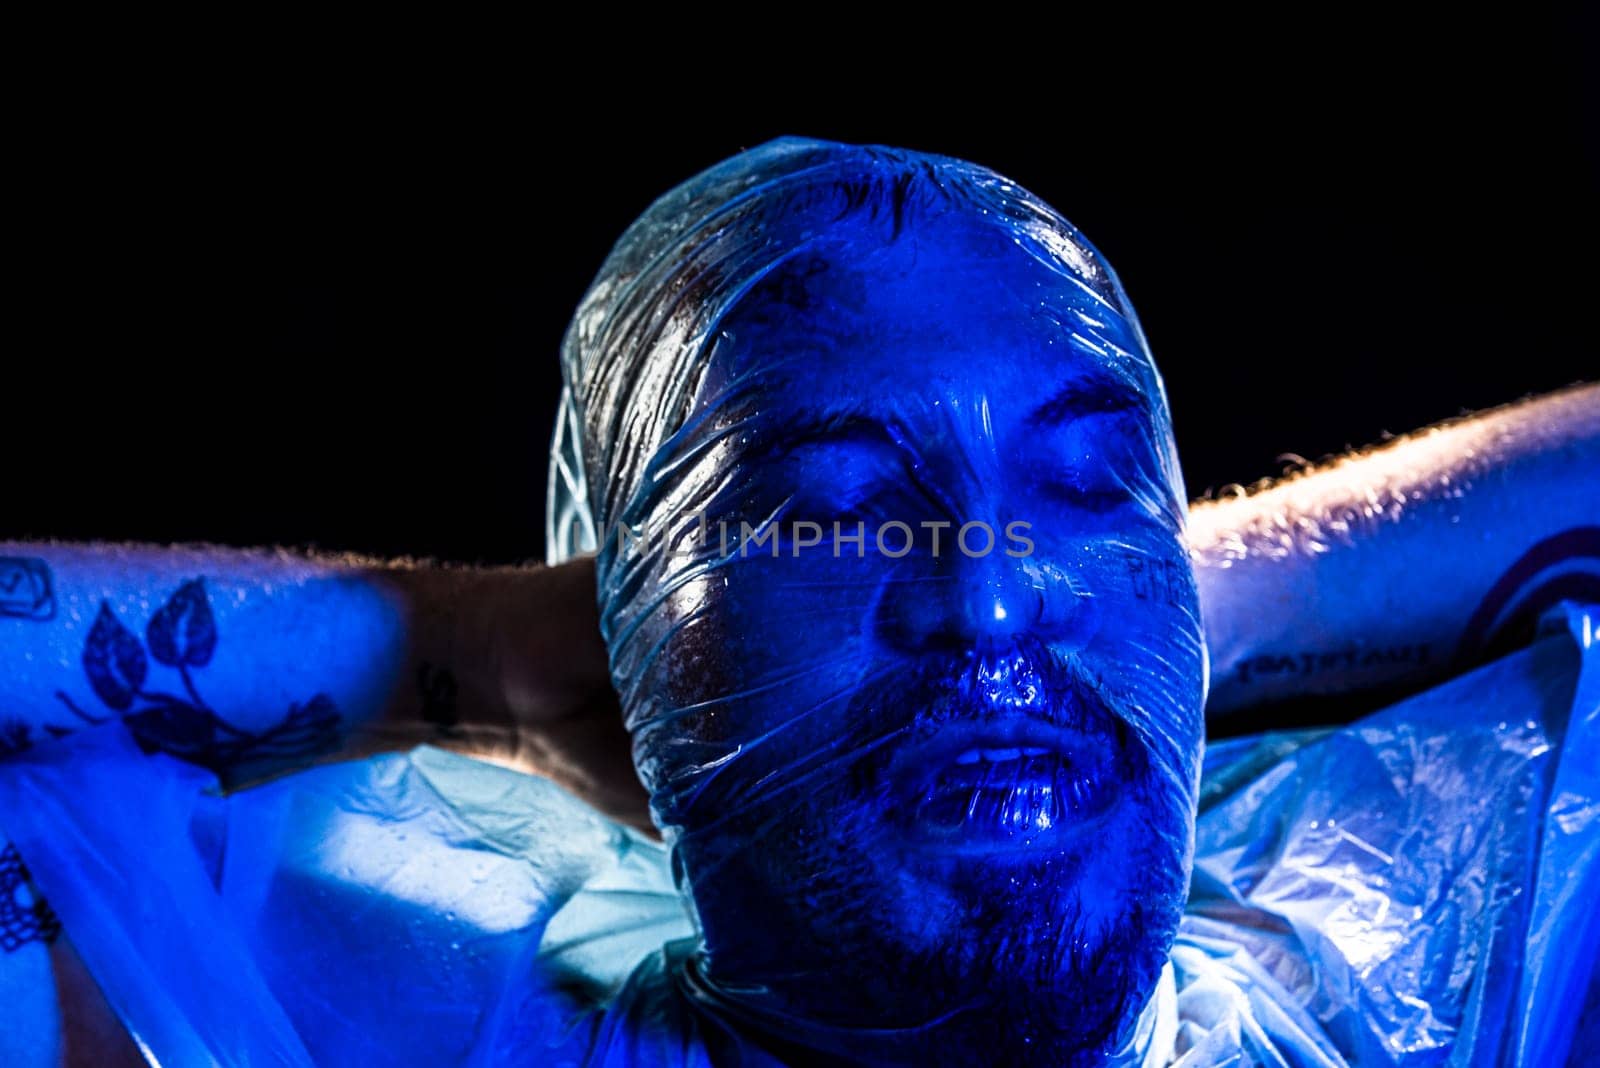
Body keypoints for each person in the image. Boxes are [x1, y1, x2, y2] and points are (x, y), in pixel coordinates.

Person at [0, 138, 1595, 1066]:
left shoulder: (1449, 940)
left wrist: (1149, 598)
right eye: (831, 513)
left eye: (1086, 477)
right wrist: (476, 661)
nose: (982, 595)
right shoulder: (375, 992)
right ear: (622, 630)